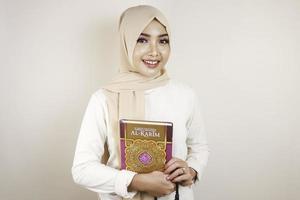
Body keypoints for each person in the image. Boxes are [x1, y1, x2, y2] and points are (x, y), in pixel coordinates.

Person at [72, 5, 209, 200]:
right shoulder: (104, 98)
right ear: (126, 42)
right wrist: (136, 181)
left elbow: (200, 147)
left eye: (163, 41)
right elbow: (82, 169)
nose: (155, 52)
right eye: (142, 40)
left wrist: (192, 170)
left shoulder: (185, 95)